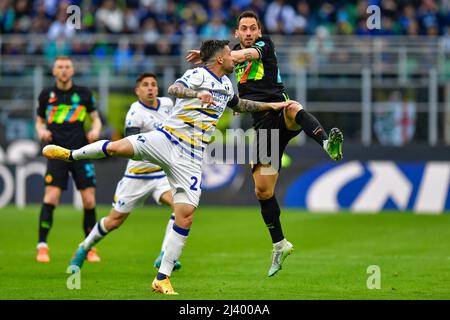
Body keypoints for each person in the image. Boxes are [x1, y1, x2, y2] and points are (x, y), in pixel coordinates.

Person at [42, 39, 291, 295]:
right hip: (166, 140)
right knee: (117, 150)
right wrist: (197, 93)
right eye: (230, 54)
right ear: (219, 59)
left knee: (186, 214)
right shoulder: (197, 75)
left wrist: (271, 106)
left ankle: (162, 278)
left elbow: (239, 105)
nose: (234, 58)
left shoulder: (227, 85)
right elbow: (175, 88)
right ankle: (72, 155)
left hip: (191, 158)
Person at [186, 11, 344, 277]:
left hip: (279, 110)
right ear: (236, 33)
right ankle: (280, 244)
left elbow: (243, 57)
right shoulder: (231, 58)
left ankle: (327, 143)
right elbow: (225, 80)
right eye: (244, 29)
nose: (248, 33)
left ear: (259, 32)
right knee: (263, 191)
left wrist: (209, 57)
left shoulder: (263, 45)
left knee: (294, 108)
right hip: (262, 128)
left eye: (252, 29)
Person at [68, 73, 181, 271]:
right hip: (137, 176)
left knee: (180, 206)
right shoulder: (135, 113)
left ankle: (164, 254)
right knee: (114, 221)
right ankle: (83, 248)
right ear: (137, 90)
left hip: (161, 174)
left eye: (153, 85)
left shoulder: (167, 105)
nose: (150, 88)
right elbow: (133, 147)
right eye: (145, 85)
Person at [35, 56, 102, 263]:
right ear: (54, 71)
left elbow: (96, 118)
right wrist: (41, 131)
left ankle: (89, 248)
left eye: (67, 67)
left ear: (72, 71)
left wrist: (95, 129)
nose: (64, 70)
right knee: (51, 197)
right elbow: (39, 121)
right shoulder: (46, 95)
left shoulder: (83, 94)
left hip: (81, 152)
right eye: (60, 67)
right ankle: (42, 246)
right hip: (57, 152)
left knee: (89, 200)